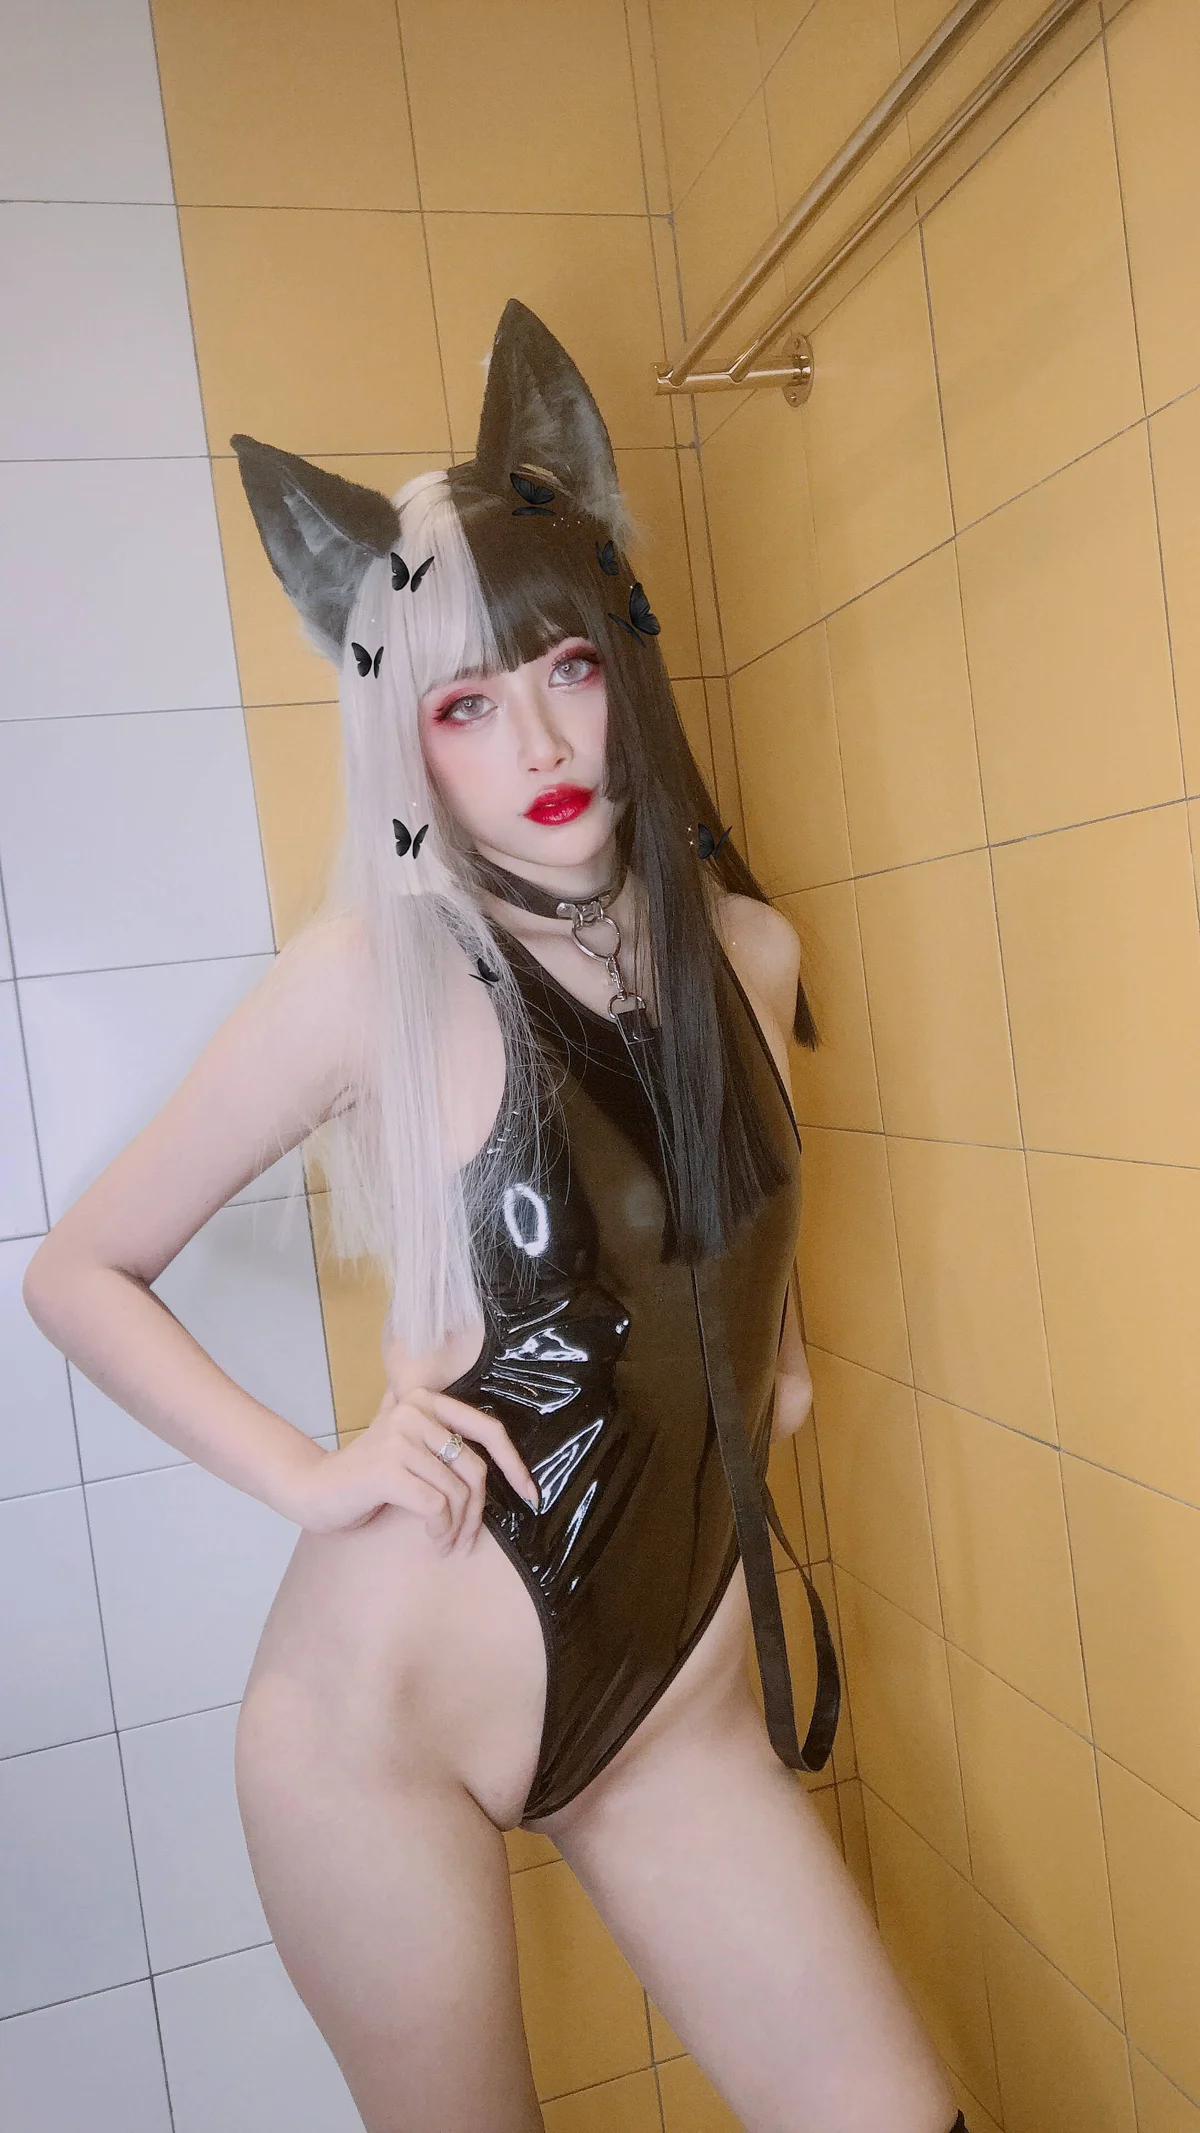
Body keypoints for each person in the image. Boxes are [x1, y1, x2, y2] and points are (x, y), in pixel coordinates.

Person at [22, 300, 967, 2133]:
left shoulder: (753, 955)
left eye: (564, 669)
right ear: (409, 744)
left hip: (672, 1704)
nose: (534, 735)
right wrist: (316, 1476)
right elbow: (79, 1273)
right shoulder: (374, 977)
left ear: (624, 664)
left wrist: (775, 1371)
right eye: (463, 704)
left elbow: (752, 1282)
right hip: (377, 1734)